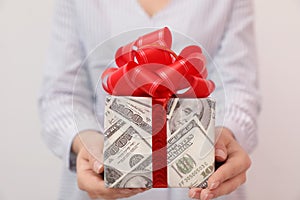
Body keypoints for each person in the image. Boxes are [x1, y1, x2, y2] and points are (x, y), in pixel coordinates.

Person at [38, 0, 260, 199]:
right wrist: (85, 143)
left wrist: (225, 134)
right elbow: (60, 93)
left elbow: (238, 87)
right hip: (105, 176)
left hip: (203, 180)